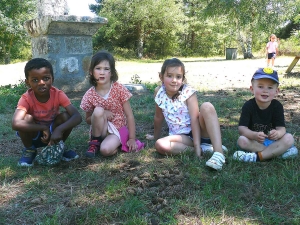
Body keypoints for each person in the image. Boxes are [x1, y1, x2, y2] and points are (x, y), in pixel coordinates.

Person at [145, 58, 227, 170]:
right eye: (169, 76)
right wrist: (155, 137)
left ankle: (219, 153)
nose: (174, 80)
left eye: (178, 77)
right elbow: (158, 117)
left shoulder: (188, 93)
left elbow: (194, 120)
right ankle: (204, 148)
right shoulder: (159, 93)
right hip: (182, 137)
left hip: (199, 131)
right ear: (161, 77)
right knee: (160, 144)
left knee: (207, 106)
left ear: (183, 78)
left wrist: (197, 145)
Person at [12, 58, 82, 167]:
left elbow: (77, 116)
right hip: (34, 133)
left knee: (66, 117)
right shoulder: (26, 98)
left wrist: (59, 129)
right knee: (26, 119)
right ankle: (30, 150)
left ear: (52, 79)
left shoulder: (58, 94)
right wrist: (43, 128)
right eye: (35, 80)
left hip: (54, 133)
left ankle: (59, 146)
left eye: (46, 78)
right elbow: (15, 123)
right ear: (27, 82)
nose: (41, 83)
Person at [80, 50, 143, 158]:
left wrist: (132, 138)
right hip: (99, 131)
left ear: (112, 72)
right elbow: (88, 120)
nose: (102, 72)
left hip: (116, 130)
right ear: (91, 72)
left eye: (106, 69)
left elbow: (129, 116)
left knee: (105, 150)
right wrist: (103, 113)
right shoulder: (89, 94)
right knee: (98, 110)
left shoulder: (119, 89)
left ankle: (113, 144)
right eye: (98, 68)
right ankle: (95, 142)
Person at [233, 68, 298, 162]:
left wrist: (278, 134)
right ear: (252, 89)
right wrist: (254, 135)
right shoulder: (248, 106)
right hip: (256, 142)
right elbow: (242, 129)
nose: (265, 91)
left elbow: (282, 129)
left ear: (276, 91)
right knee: (242, 140)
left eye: (270, 87)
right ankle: (278, 153)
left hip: (274, 142)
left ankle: (256, 157)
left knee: (289, 138)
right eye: (260, 86)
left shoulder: (277, 106)